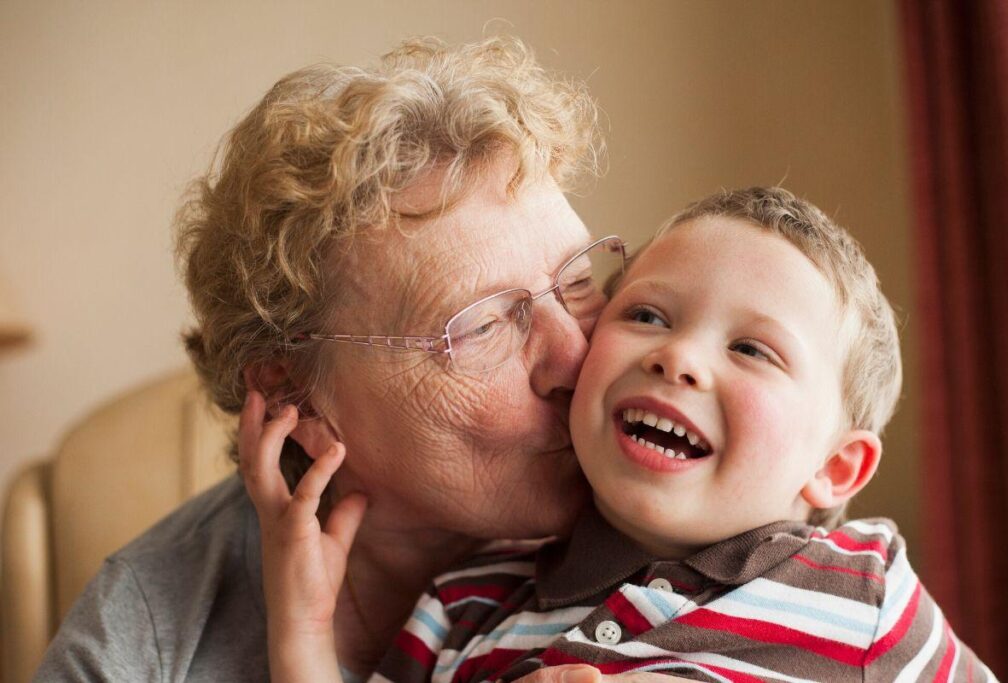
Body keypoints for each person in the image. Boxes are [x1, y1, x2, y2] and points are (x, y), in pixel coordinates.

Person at [34, 36, 622, 682]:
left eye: (579, 281)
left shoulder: (689, 525)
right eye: (482, 326)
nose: (576, 357)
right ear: (297, 397)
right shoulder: (147, 646)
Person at [257, 188, 995, 682]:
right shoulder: (466, 603)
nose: (676, 356)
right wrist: (306, 641)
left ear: (837, 468)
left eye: (751, 349)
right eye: (647, 315)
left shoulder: (862, 593)